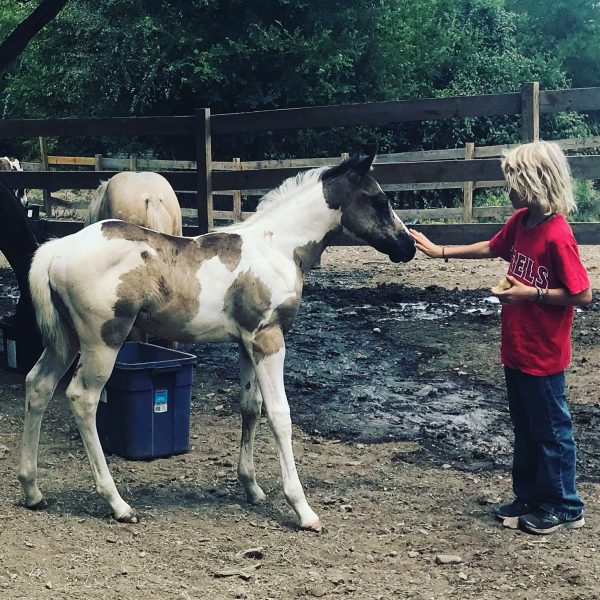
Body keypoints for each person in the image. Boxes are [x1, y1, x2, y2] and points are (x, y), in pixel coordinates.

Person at [409, 140, 592, 535]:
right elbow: (492, 248)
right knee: (525, 428)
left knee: (551, 431)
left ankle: (565, 505)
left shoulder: (557, 235)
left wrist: (532, 293)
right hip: (516, 349)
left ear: (534, 182)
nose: (508, 190)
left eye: (513, 182)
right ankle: (529, 497)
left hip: (544, 356)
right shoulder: (521, 222)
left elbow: (583, 294)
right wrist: (439, 251)